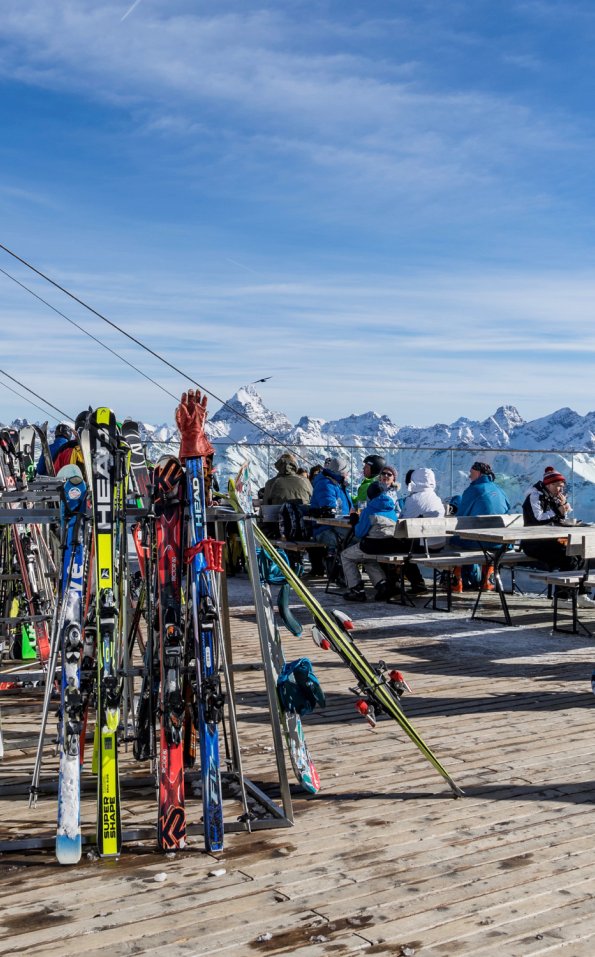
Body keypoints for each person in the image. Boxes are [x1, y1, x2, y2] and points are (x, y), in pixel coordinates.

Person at [451, 461, 510, 589]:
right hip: (501, 542)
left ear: (478, 473)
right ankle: (488, 574)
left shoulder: (473, 490)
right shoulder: (500, 490)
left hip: (479, 541)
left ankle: (456, 578)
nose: (469, 476)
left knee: (451, 540)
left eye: (471, 473)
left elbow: (460, 518)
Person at [521, 466, 583, 579]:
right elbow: (538, 519)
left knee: (580, 555)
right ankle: (564, 595)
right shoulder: (535, 497)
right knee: (569, 559)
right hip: (534, 543)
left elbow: (558, 520)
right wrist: (557, 510)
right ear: (550, 484)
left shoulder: (552, 497)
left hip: (551, 540)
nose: (561, 490)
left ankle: (580, 593)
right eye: (559, 486)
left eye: (562, 487)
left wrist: (562, 507)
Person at [341, 481, 398, 601]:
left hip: (372, 546)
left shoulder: (369, 510)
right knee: (368, 558)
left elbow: (359, 533)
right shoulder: (391, 509)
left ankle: (356, 589)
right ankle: (382, 585)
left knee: (346, 556)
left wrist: (355, 521)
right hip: (390, 546)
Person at [309, 456, 354, 577]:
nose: (348, 474)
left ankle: (347, 575)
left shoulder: (337, 484)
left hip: (339, 527)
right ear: (341, 472)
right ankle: (345, 575)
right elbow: (329, 510)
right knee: (356, 541)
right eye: (347, 471)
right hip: (324, 529)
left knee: (360, 539)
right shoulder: (326, 484)